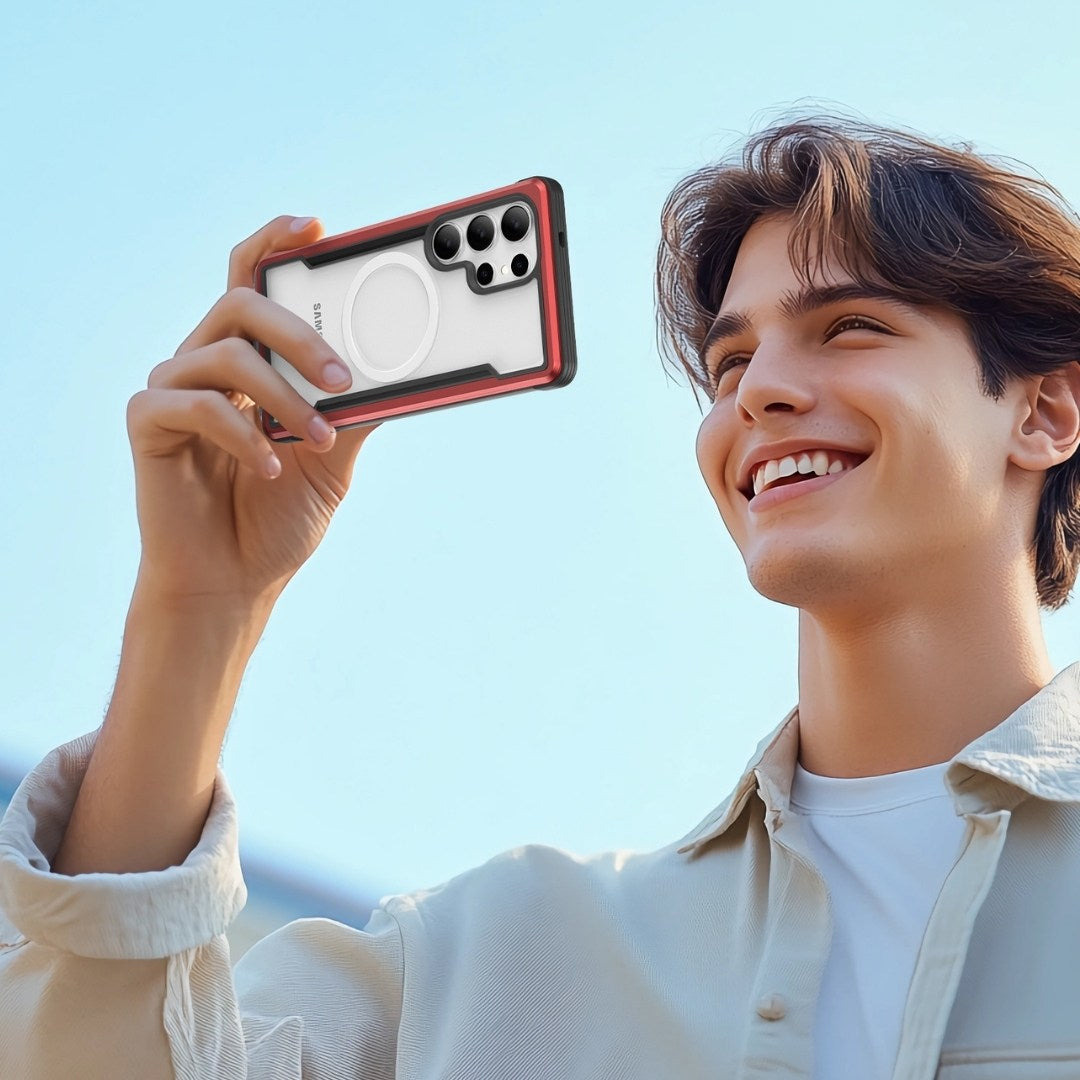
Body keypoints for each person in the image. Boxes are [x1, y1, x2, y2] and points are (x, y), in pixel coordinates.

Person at [2, 109, 1080, 1080]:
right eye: (728, 361)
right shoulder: (494, 958)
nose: (761, 392)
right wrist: (201, 604)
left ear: (1045, 414)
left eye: (852, 328)